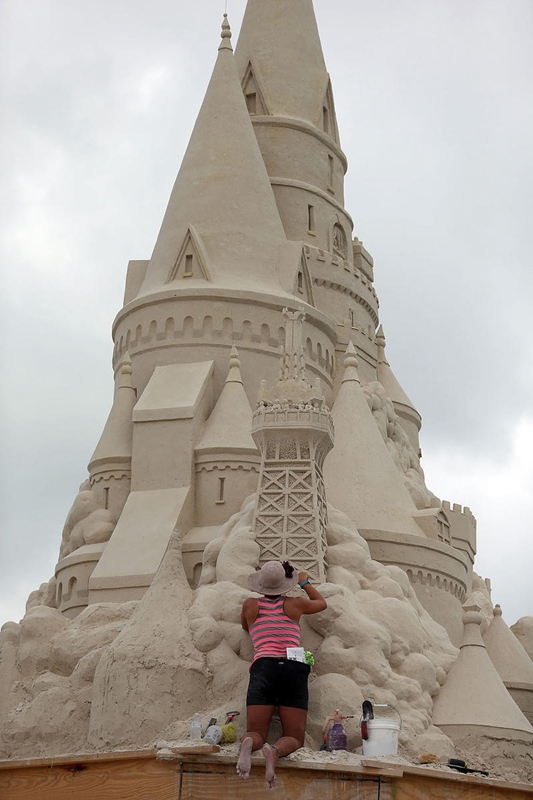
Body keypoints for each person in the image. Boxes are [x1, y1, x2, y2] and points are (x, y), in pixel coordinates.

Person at [236, 560, 327, 788]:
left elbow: (246, 627)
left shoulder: (249, 605)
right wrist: (304, 581)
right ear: (286, 584)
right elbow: (321, 603)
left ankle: (249, 743)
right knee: (294, 737)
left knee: (256, 730)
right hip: (293, 668)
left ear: (261, 585)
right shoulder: (295, 604)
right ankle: (274, 751)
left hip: (263, 666)